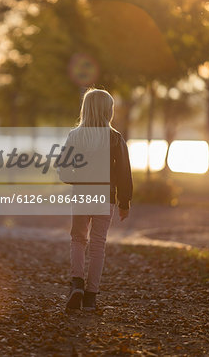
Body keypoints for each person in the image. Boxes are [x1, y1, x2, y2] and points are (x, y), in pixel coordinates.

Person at [58, 88, 133, 312]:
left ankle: (76, 283)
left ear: (86, 109)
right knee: (98, 244)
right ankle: (91, 296)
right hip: (106, 197)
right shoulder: (115, 138)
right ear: (107, 111)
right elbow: (123, 172)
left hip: (82, 194)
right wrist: (124, 201)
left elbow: (63, 170)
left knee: (78, 239)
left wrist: (78, 179)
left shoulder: (75, 136)